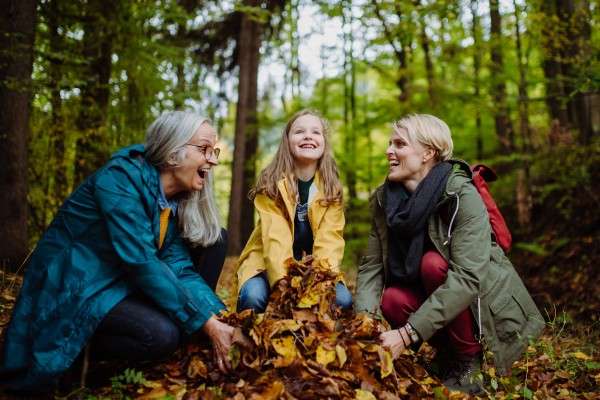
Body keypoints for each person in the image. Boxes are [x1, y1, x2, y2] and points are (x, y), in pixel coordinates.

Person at [0, 111, 236, 393]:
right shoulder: (120, 180)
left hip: (115, 283)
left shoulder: (170, 204)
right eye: (204, 149)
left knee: (214, 240)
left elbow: (180, 268)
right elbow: (142, 262)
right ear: (173, 155)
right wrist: (206, 324)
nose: (213, 159)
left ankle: (191, 335)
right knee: (161, 334)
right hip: (74, 287)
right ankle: (73, 354)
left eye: (215, 151)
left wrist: (222, 320)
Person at [354, 114, 544, 395]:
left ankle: (469, 361)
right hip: (438, 298)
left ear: (427, 153)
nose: (388, 151)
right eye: (390, 143)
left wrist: (407, 335)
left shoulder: (461, 195)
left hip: (482, 301)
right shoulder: (387, 200)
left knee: (433, 264)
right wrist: (364, 329)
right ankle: (450, 355)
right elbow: (372, 268)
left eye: (399, 144)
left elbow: (468, 277)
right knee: (394, 299)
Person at [230, 109, 353, 314]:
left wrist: (317, 282)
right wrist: (283, 282)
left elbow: (330, 241)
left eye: (316, 132)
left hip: (314, 266)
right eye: (299, 132)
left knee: (342, 300)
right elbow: (274, 237)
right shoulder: (270, 185)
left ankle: (319, 339)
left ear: (324, 142)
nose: (308, 136)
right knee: (253, 296)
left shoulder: (332, 190)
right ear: (287, 141)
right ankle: (249, 340)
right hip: (268, 260)